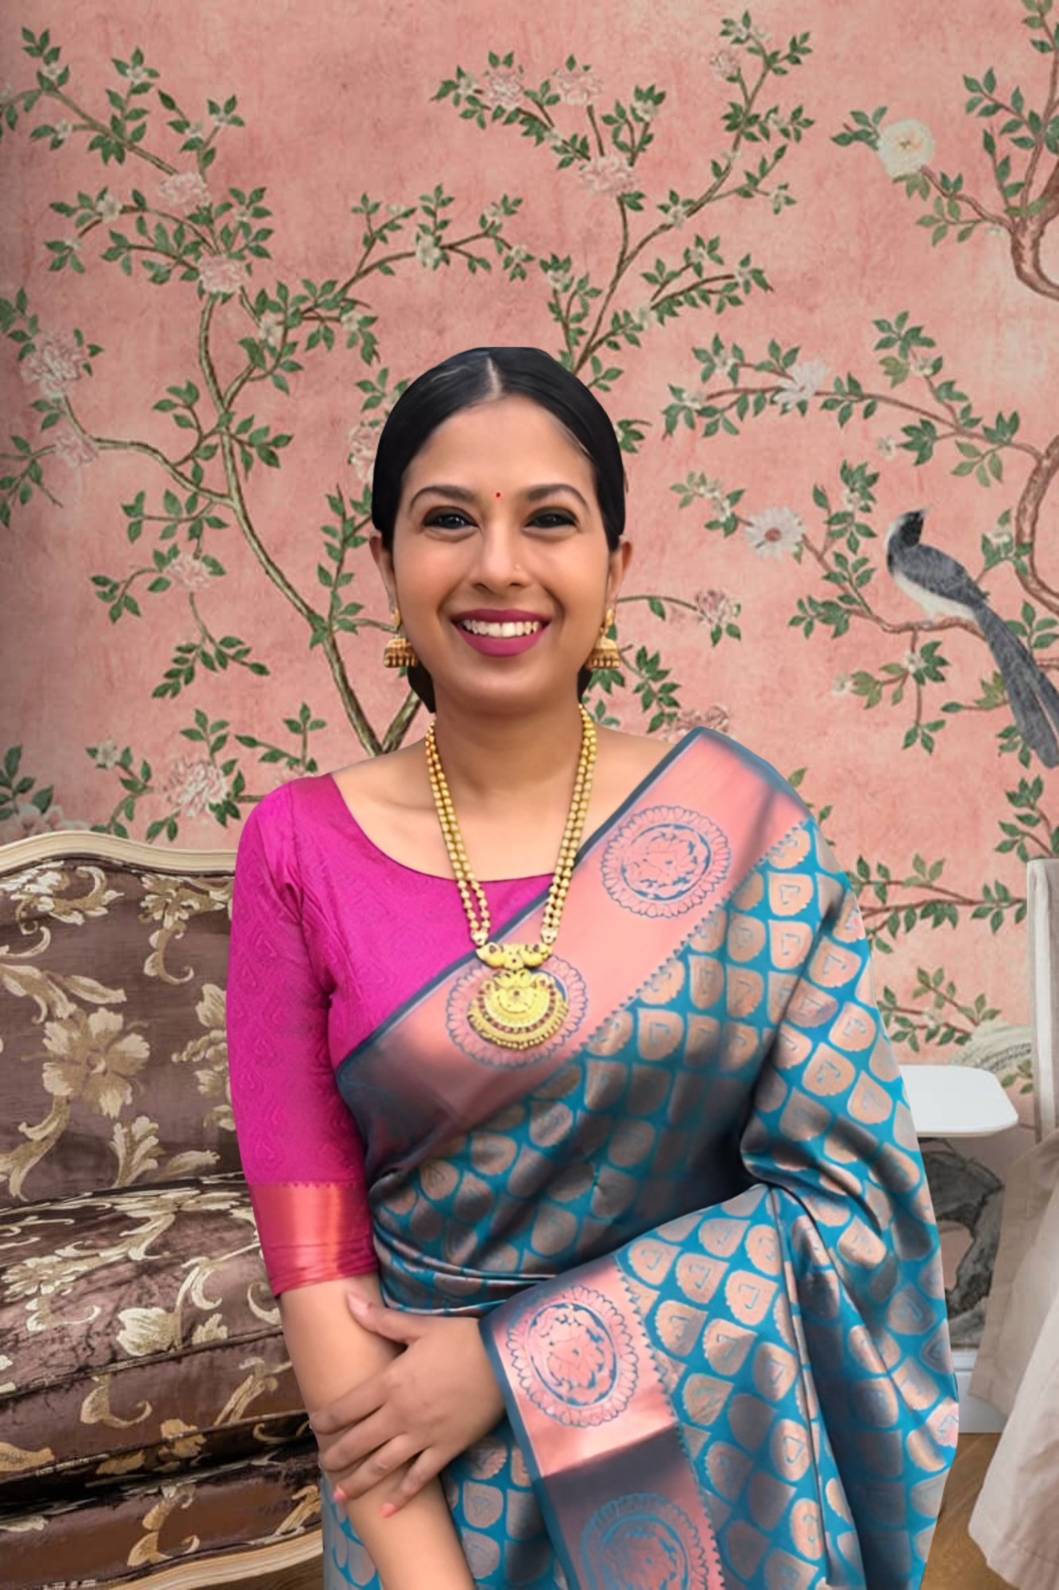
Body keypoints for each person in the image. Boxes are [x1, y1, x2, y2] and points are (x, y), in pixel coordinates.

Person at [225, 345, 960, 1590]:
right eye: (446, 519)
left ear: (614, 566)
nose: (497, 565)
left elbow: (853, 1216)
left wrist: (514, 1356)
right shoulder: (297, 849)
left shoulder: (743, 830)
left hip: (721, 1472)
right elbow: (318, 1261)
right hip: (430, 1485)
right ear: (384, 562)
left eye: (548, 521)